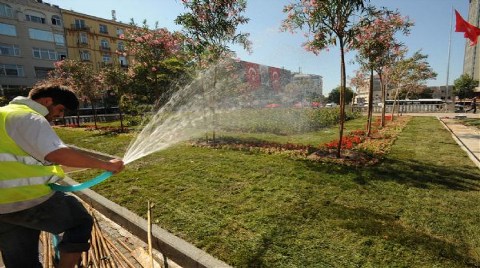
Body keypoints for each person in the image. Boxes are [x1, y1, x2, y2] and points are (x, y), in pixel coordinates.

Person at [0, 84, 124, 267]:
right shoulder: (29, 117)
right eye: (60, 109)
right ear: (47, 101)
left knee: (22, 262)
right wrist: (105, 165)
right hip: (27, 199)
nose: (60, 115)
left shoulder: (5, 113)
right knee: (80, 222)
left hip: (3, 207)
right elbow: (56, 154)